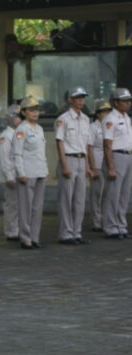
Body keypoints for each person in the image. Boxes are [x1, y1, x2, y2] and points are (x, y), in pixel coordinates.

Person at [55, 87, 93, 245]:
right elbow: (59, 142)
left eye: (83, 97)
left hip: (81, 160)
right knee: (66, 199)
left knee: (79, 199)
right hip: (69, 159)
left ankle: (77, 233)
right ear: (70, 100)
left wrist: (88, 166)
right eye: (78, 98)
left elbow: (86, 145)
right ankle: (66, 234)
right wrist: (64, 165)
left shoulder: (86, 119)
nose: (81, 100)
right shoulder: (63, 119)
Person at [13, 96, 48, 249]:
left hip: (40, 172)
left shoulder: (39, 129)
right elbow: (17, 153)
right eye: (31, 110)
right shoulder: (21, 129)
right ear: (24, 112)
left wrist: (45, 170)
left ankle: (35, 237)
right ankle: (25, 238)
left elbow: (41, 152)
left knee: (37, 208)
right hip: (27, 173)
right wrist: (21, 172)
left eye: (37, 109)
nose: (35, 112)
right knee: (26, 208)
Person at [101, 88, 132, 239]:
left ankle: (121, 225)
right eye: (124, 101)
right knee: (113, 194)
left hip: (128, 156)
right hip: (116, 156)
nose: (128, 103)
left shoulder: (127, 118)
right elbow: (107, 145)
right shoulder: (110, 119)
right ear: (115, 102)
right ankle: (110, 227)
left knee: (124, 194)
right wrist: (111, 167)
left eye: (129, 100)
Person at [0, 104, 22, 241]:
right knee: (12, 205)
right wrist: (9, 177)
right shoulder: (6, 136)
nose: (21, 119)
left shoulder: (19, 134)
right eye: (18, 116)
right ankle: (12, 231)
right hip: (11, 175)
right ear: (12, 118)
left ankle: (18, 229)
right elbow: (5, 158)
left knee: (19, 204)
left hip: (19, 174)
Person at [89, 100, 112, 232]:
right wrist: (92, 167)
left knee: (108, 193)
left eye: (109, 111)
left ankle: (106, 220)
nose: (107, 114)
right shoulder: (93, 127)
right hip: (97, 163)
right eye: (104, 112)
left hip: (108, 163)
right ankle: (96, 221)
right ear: (98, 114)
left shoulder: (110, 126)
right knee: (97, 193)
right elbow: (89, 147)